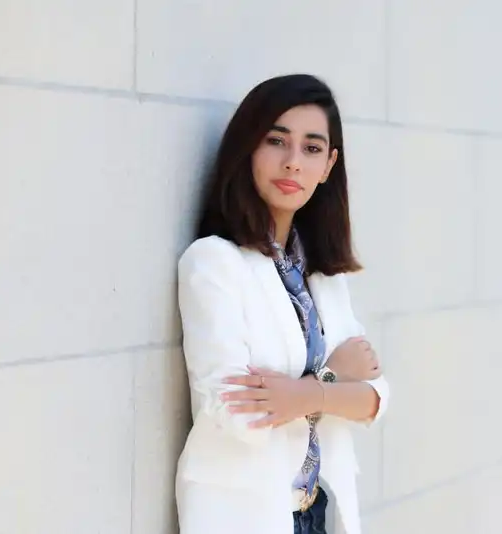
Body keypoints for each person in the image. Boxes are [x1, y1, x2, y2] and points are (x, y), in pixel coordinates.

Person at [174, 73, 390, 534]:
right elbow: (236, 413)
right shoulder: (215, 262)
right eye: (276, 141)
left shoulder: (324, 275)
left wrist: (304, 393)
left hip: (316, 515)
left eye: (311, 148)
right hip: (248, 517)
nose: (293, 163)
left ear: (329, 165)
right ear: (248, 147)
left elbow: (375, 395)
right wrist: (331, 382)